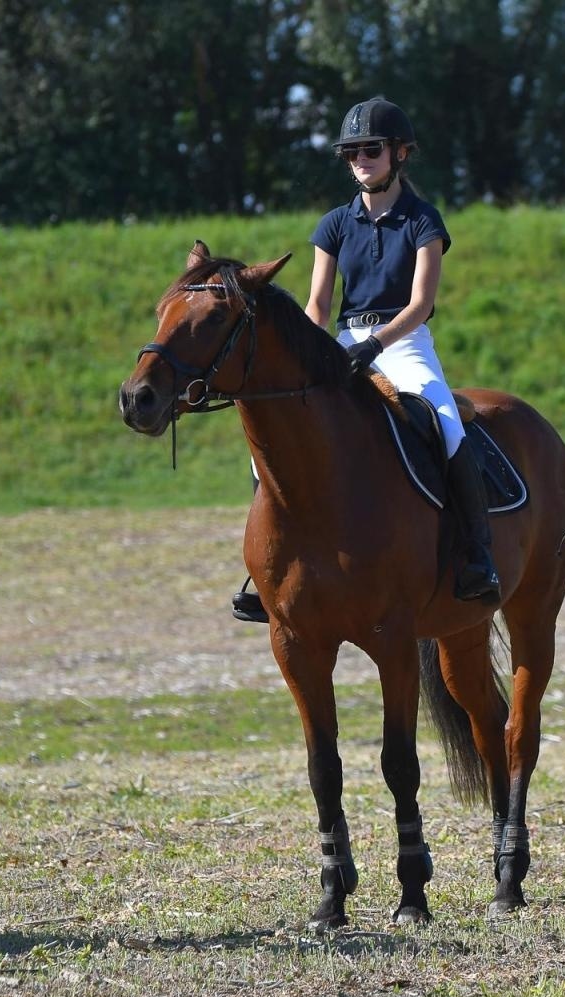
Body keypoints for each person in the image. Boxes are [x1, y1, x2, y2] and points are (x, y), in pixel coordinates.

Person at [231, 96, 498, 623]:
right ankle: (268, 565)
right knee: (272, 440)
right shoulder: (333, 224)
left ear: (400, 153)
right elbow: (319, 305)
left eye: (370, 149)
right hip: (343, 342)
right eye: (351, 151)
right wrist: (307, 355)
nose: (360, 158)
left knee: (446, 420)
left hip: (404, 342)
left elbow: (420, 304)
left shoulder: (423, 220)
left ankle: (477, 556)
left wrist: (376, 345)